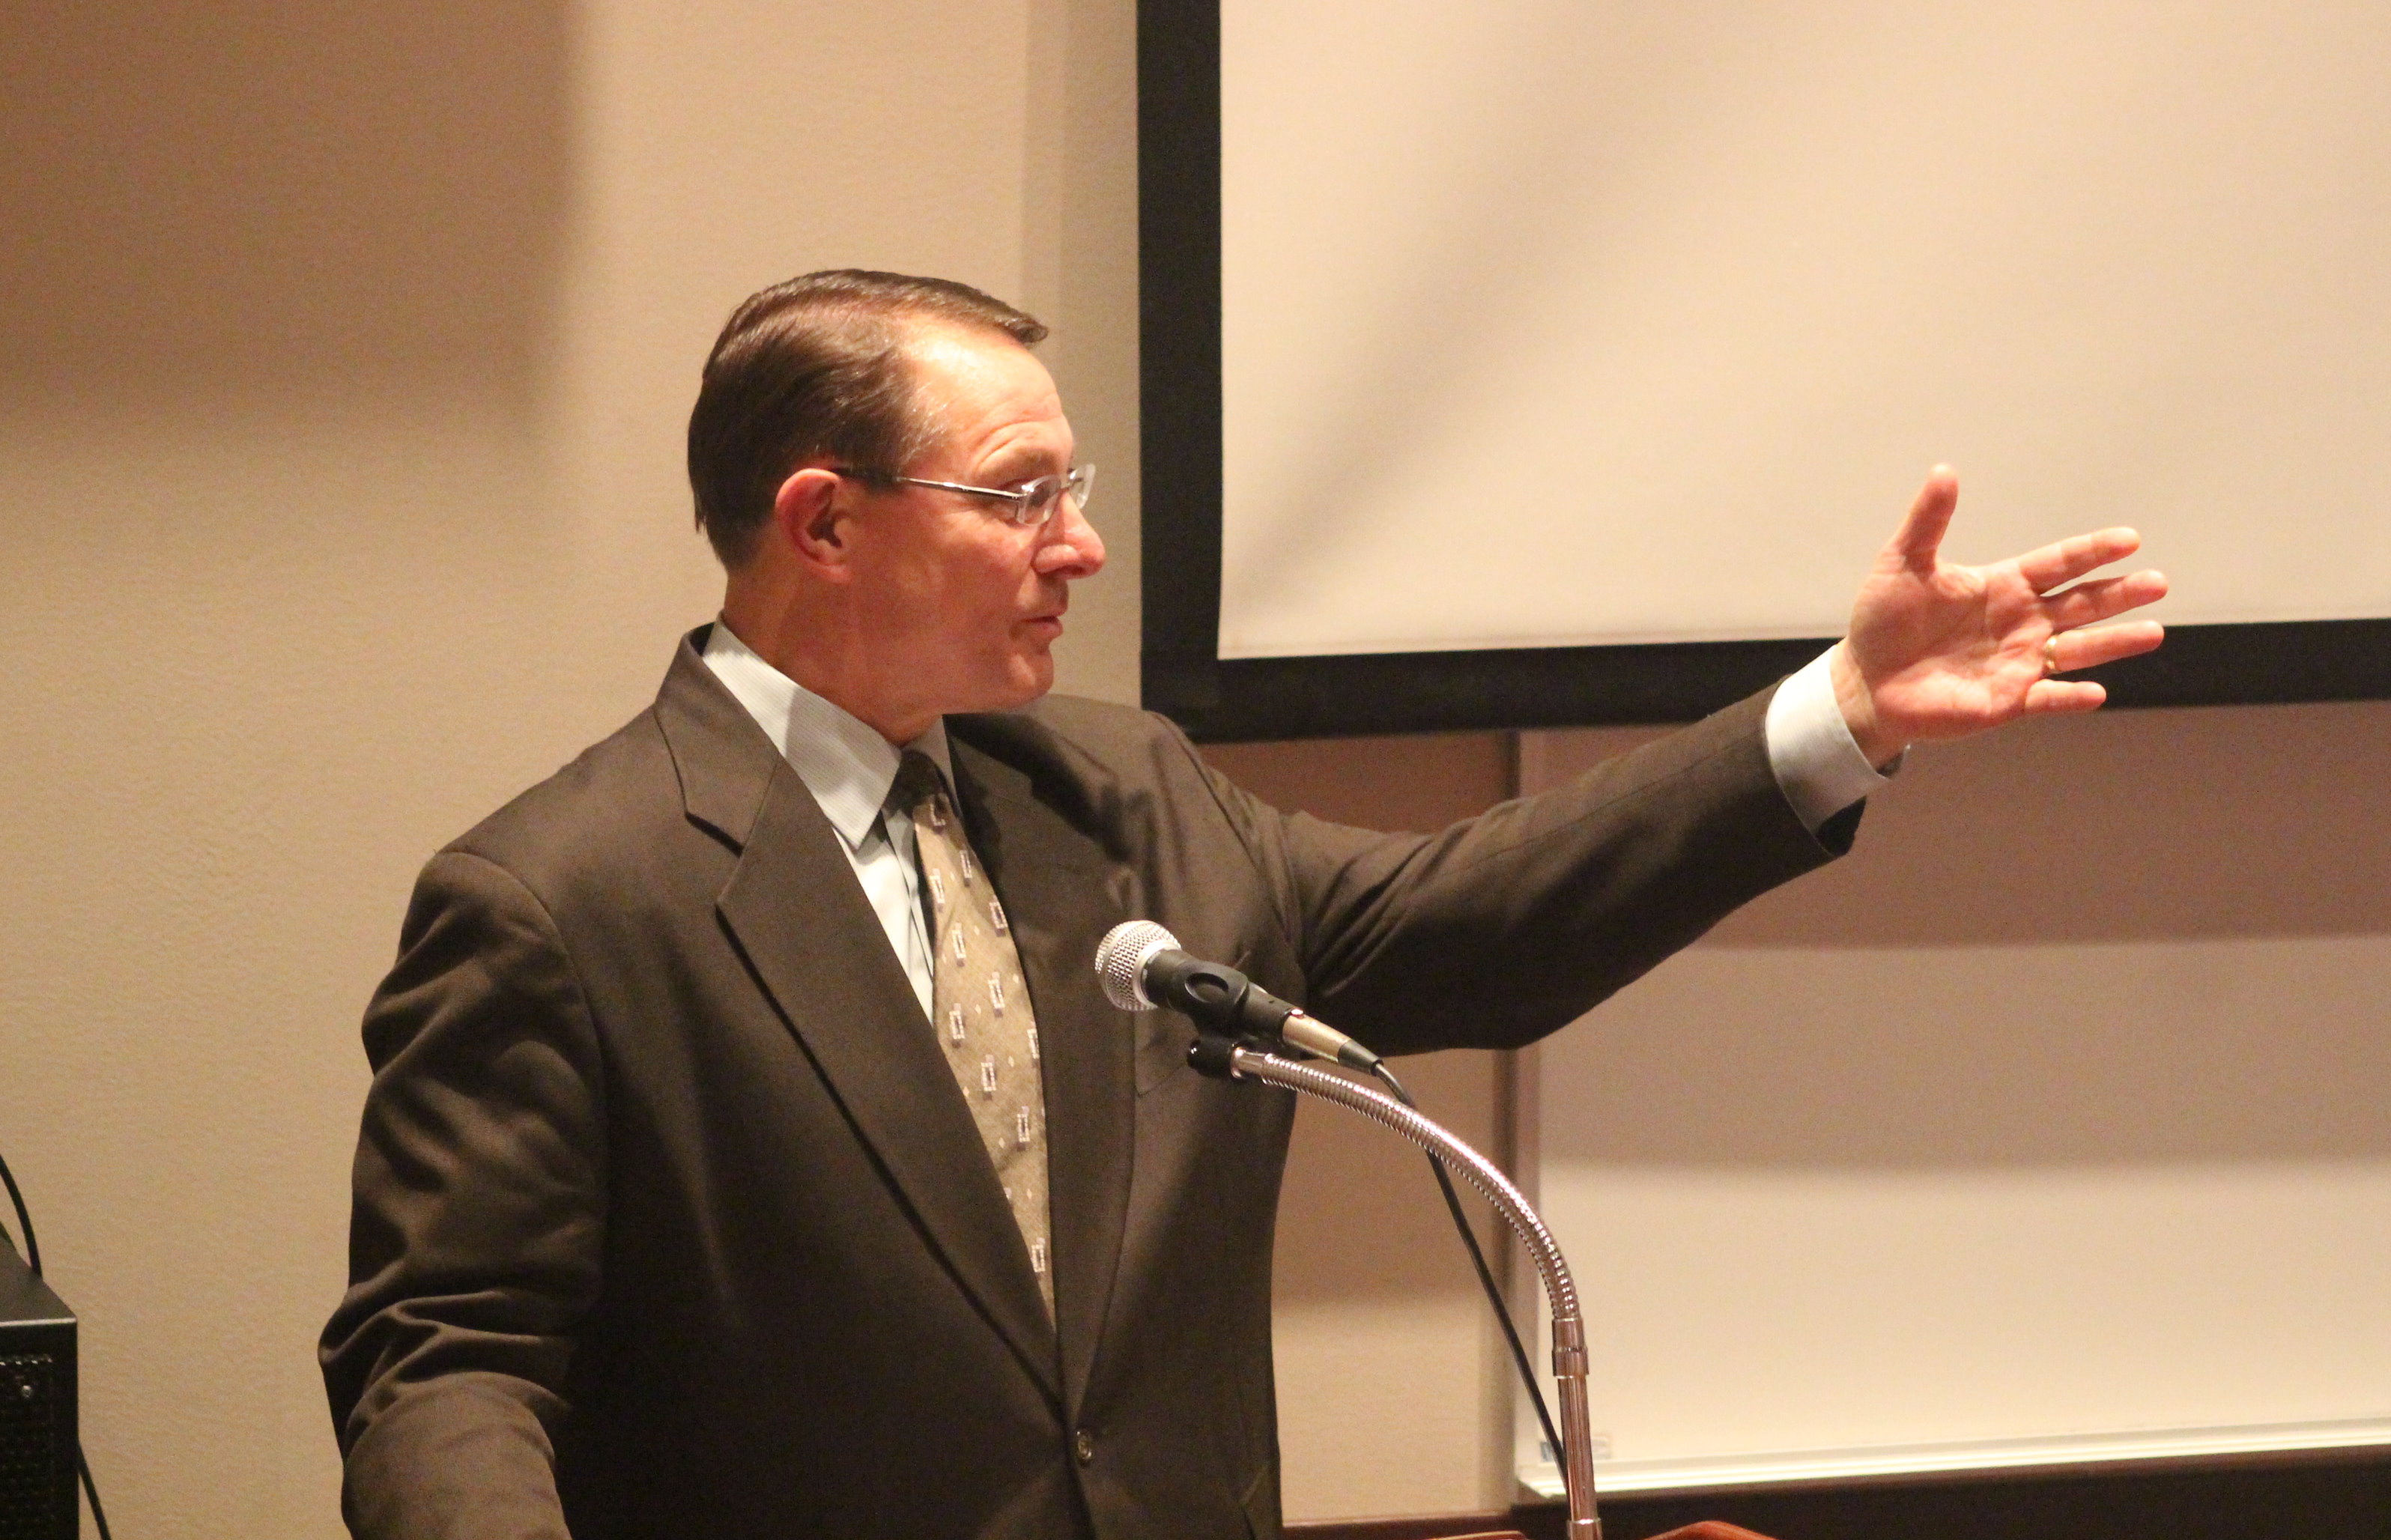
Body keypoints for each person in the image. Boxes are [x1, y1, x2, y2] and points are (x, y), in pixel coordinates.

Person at [319, 270, 2166, 1540]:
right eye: (1023, 492)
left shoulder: (1119, 794)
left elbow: (1477, 922)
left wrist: (1832, 717)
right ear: (823, 523)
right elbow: (450, 1361)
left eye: (1082, 486)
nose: (1083, 543)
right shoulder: (566, 895)